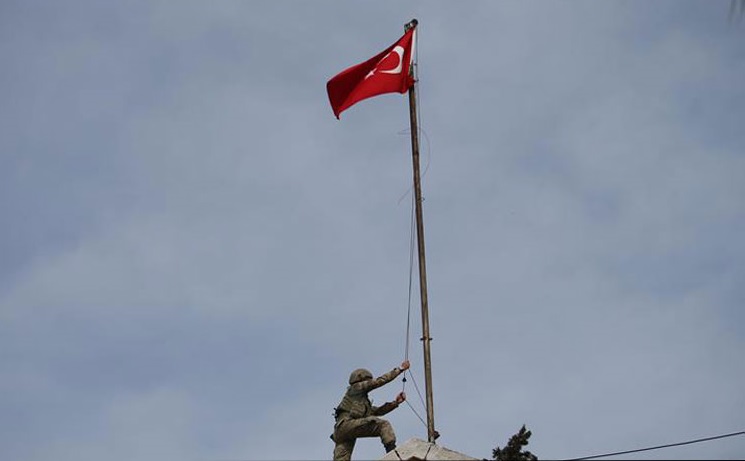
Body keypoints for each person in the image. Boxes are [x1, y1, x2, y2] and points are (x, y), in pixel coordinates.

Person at [331, 360, 410, 461]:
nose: (369, 383)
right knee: (383, 425)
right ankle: (392, 452)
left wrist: (395, 402)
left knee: (341, 458)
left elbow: (377, 411)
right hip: (347, 424)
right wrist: (400, 369)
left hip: (341, 431)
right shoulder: (356, 387)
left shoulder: (359, 400)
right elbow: (379, 381)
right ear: (361, 379)